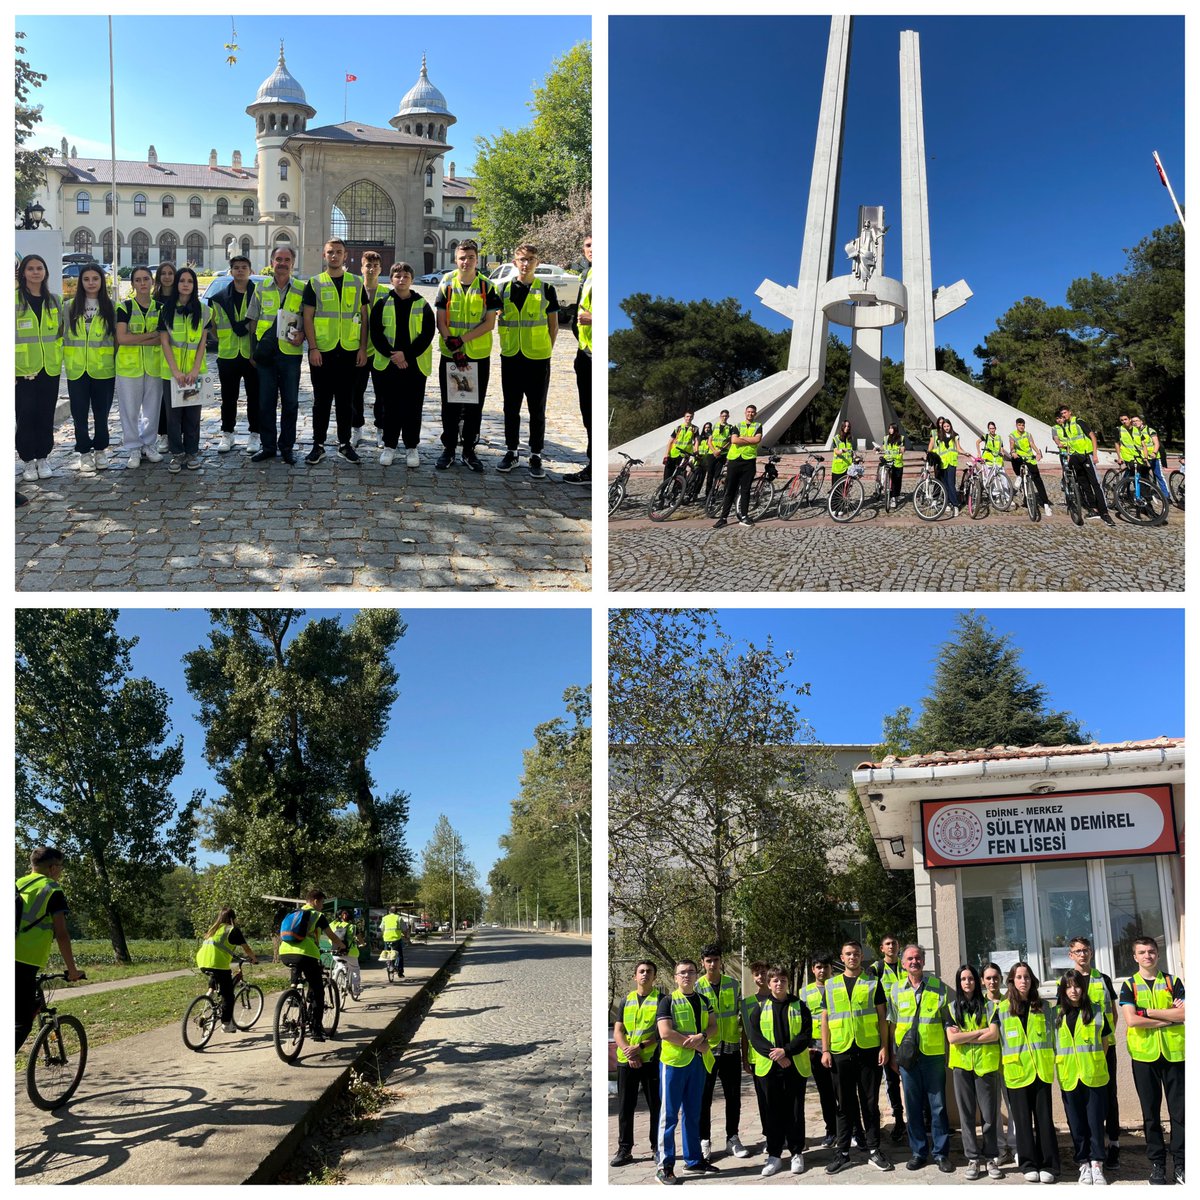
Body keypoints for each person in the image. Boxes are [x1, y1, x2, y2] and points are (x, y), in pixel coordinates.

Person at [821, 939, 894, 1174]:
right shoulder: (830, 985)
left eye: (856, 954)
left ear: (862, 957)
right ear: (841, 958)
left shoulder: (873, 983)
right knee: (844, 1105)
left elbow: (883, 1019)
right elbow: (825, 1020)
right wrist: (825, 1049)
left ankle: (873, 1149)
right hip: (841, 1051)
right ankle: (842, 1152)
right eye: (848, 954)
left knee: (870, 1103)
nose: (852, 957)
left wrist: (884, 1047)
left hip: (868, 1050)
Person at [1119, 935, 1184, 1186]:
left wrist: (1149, 1012)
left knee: (1180, 1114)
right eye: (1142, 952)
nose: (1148, 955)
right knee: (1151, 1115)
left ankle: (1181, 1164)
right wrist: (1170, 1017)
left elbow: (1186, 1012)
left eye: (1151, 951)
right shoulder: (1129, 985)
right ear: (1135, 957)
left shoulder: (1173, 981)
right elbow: (1132, 1020)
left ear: (1158, 954)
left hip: (1175, 1055)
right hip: (1144, 1057)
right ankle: (1157, 1165)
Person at [435, 239, 501, 472]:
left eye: (470, 257)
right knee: (450, 404)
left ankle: (469, 450)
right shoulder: (447, 283)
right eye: (462, 257)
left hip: (476, 354)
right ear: (456, 259)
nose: (466, 261)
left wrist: (462, 341)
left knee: (474, 405)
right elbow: (441, 319)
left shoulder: (487, 286)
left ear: (477, 259)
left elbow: (489, 323)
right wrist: (453, 346)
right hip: (452, 355)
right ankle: (449, 448)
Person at [496, 243, 559, 479]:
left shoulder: (546, 289)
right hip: (511, 356)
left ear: (537, 262)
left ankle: (536, 454)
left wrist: (546, 349)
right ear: (515, 262)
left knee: (537, 410)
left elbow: (553, 326)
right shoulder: (502, 290)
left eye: (531, 259)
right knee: (510, 408)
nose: (526, 263)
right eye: (522, 259)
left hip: (537, 358)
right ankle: (511, 451)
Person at [994, 961, 1060, 1183]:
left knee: (1044, 1120)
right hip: (1016, 1073)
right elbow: (995, 1039)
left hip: (1041, 1071)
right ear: (1012, 981)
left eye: (1027, 977)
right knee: (1021, 1122)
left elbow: (1055, 1037)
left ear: (1033, 981)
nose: (1024, 981)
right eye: (1019, 977)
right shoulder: (1001, 1009)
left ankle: (1048, 1164)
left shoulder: (1044, 1007)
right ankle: (1028, 1163)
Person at [302, 237, 366, 464]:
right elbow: (307, 317)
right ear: (324, 255)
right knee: (321, 401)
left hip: (349, 351)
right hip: (323, 351)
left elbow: (363, 317)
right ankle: (317, 445)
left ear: (345, 255)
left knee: (345, 401)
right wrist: (313, 347)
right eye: (330, 252)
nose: (334, 256)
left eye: (338, 252)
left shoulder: (357, 283)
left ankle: (344, 444)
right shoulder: (315, 283)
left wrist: (362, 348)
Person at [889, 943, 952, 1172]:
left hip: (933, 1056)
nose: (914, 962)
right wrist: (892, 1055)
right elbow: (892, 1024)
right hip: (907, 1059)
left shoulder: (939, 988)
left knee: (938, 1107)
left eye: (918, 958)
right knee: (913, 1107)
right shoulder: (895, 990)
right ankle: (918, 1152)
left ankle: (941, 1153)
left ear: (923, 962)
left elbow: (949, 1021)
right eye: (909, 959)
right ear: (903, 963)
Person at [746, 966, 814, 1176]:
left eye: (783, 980)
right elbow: (754, 1037)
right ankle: (774, 1155)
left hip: (794, 1066)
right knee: (772, 1111)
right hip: (769, 1068)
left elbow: (805, 1034)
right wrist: (775, 1055)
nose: (779, 984)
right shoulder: (759, 1008)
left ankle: (796, 1153)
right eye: (775, 981)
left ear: (787, 983)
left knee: (795, 1111)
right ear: (769, 984)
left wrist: (786, 1052)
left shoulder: (799, 1005)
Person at [16, 846, 84, 1051]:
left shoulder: (17, 884)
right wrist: (72, 970)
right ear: (53, 868)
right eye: (61, 867)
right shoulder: (52, 889)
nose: (61, 872)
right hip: (23, 960)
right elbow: (62, 934)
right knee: (21, 1024)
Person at [656, 959, 718, 1184]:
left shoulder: (703, 1000)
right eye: (682, 972)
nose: (687, 976)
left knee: (693, 1113)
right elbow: (665, 1032)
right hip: (673, 1064)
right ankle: (664, 1166)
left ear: (696, 974)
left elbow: (713, 1026)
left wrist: (702, 1037)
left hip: (697, 1063)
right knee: (669, 1115)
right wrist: (692, 1042)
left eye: (691, 972)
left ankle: (694, 1160)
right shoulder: (667, 1001)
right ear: (675, 977)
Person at [369, 262, 435, 468]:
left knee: (412, 407)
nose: (401, 279)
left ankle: (411, 447)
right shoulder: (382, 303)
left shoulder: (422, 304)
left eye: (406, 276)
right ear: (391, 280)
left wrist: (406, 355)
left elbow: (427, 334)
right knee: (390, 407)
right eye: (397, 276)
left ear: (411, 280)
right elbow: (376, 333)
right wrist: (394, 356)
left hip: (415, 365)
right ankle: (389, 446)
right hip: (389, 365)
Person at [247, 246, 306, 464]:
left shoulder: (302, 288)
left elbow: (309, 318)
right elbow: (253, 320)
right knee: (265, 403)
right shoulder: (261, 287)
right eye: (278, 259)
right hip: (265, 355)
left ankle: (287, 447)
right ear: (272, 262)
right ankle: (268, 446)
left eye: (286, 259)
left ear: (293, 263)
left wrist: (304, 335)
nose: (282, 263)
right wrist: (253, 351)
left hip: (290, 354)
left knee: (290, 403)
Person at [1066, 936, 1121, 1170]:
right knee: (1084, 1101)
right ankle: (1089, 1148)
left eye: (1085, 950)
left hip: (1104, 1048)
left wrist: (1104, 1041)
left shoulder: (1103, 979)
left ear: (1091, 952)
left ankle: (1114, 1144)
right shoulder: (1068, 981)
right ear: (1070, 955)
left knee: (1109, 1096)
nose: (1082, 954)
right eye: (1077, 951)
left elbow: (1113, 1014)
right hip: (1080, 1054)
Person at [1054, 968, 1111, 1185]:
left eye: (1077, 985)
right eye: (1068, 987)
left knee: (1095, 1122)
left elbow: (1105, 1042)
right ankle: (1083, 1163)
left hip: (1093, 1074)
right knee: (1076, 1123)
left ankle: (1097, 1163)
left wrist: (1093, 1062)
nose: (1074, 990)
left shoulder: (1096, 1011)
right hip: (1069, 1075)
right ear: (1063, 990)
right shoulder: (1055, 1014)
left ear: (1083, 987)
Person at [946, 963, 1002, 1180]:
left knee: (989, 1116)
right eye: (963, 979)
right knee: (967, 1116)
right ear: (959, 983)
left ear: (977, 981)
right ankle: (973, 1158)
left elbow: (994, 1035)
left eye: (970, 978)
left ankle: (991, 1157)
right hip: (961, 1068)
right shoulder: (952, 1008)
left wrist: (966, 1035)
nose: (967, 983)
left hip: (986, 1066)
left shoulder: (990, 1007)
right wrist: (980, 1032)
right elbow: (952, 1039)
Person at [695, 944, 750, 1161]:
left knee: (733, 1096)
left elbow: (741, 1018)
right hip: (707, 1051)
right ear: (702, 963)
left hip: (731, 1049)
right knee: (704, 1098)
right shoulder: (697, 987)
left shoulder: (733, 984)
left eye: (716, 960)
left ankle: (732, 1139)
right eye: (708, 960)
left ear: (721, 961)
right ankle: (704, 1140)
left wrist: (746, 1055)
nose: (712, 964)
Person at [63, 262, 117, 471]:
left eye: (95, 279)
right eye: (86, 279)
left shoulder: (111, 306)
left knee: (102, 413)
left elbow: (116, 339)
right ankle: (84, 452)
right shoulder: (68, 307)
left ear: (102, 281)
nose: (91, 283)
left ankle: (101, 450)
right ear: (81, 282)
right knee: (79, 413)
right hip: (77, 369)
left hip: (103, 369)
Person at [158, 266, 211, 473]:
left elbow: (202, 343)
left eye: (189, 281)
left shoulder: (205, 311)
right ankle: (177, 453)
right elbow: (164, 343)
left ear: (194, 285)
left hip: (194, 373)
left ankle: (191, 452)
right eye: (182, 281)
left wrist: (195, 370)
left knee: (192, 415)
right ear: (176, 284)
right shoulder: (166, 310)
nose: (186, 285)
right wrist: (176, 372)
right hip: (172, 374)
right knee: (173, 416)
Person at [15, 254, 63, 483]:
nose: (35, 272)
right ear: (23, 272)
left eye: (39, 268)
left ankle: (43, 457)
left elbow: (61, 334)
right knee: (25, 416)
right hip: (22, 370)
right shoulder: (12, 301)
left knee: (45, 415)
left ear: (45, 272)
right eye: (31, 268)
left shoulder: (54, 301)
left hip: (49, 369)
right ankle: (27, 461)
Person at [114, 265, 165, 470]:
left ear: (152, 282)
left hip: (154, 366)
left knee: (152, 409)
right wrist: (150, 336)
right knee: (130, 409)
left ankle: (149, 444)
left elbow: (162, 340)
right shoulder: (124, 307)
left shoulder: (160, 308)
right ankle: (133, 446)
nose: (142, 283)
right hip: (128, 367)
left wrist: (138, 339)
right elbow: (122, 339)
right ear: (133, 283)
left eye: (146, 279)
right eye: (138, 280)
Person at [611, 959, 662, 1167]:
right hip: (626, 1061)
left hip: (651, 1060)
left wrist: (639, 1048)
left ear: (654, 977)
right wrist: (628, 1052)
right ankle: (625, 1149)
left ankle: (657, 1148)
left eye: (649, 971)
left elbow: (661, 1032)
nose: (645, 974)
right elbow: (618, 1031)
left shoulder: (662, 1000)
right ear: (635, 976)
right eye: (641, 971)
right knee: (625, 1107)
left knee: (655, 1107)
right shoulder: (626, 1000)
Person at [210, 256, 261, 456]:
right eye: (236, 268)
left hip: (251, 355)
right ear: (231, 271)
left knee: (254, 397)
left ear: (250, 271)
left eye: (244, 267)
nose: (240, 271)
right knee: (228, 398)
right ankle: (227, 433)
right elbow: (214, 326)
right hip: (228, 354)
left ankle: (254, 434)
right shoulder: (220, 297)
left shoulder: (258, 295)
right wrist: (224, 339)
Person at [278, 889, 344, 1041]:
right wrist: (341, 945)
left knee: (300, 975)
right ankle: (316, 1030)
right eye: (322, 903)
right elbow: (331, 935)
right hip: (306, 954)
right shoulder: (317, 916)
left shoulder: (294, 913)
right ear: (315, 901)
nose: (322, 906)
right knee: (318, 991)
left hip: (285, 953)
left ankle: (294, 994)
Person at [195, 906, 259, 1033]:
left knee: (216, 977)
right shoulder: (232, 930)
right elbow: (246, 949)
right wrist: (254, 959)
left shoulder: (213, 929)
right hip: (217, 963)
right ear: (232, 918)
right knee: (228, 996)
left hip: (202, 961)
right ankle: (226, 1024)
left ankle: (209, 996)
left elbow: (219, 946)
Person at [869, 934, 907, 1143]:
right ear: (881, 948)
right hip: (887, 1029)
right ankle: (899, 1120)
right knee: (891, 1079)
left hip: (908, 1029)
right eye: (888, 944)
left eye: (894, 943)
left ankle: (923, 1119)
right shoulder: (876, 969)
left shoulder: (906, 965)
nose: (892, 946)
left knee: (912, 1076)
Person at [562, 234, 592, 485]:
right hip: (583, 350)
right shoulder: (587, 274)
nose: (592, 250)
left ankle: (593, 467)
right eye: (588, 246)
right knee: (587, 412)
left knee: (592, 412)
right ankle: (592, 465)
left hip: (593, 352)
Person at [1054, 404, 1115, 526]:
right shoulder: (1065, 426)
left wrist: (1095, 454)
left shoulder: (1079, 422)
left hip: (1087, 456)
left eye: (1065, 413)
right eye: (1062, 414)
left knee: (1095, 484)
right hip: (1076, 456)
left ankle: (1104, 513)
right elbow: (1071, 442)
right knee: (1084, 483)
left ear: (1070, 412)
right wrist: (1070, 455)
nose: (1064, 416)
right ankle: (1093, 509)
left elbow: (1092, 437)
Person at [982, 962, 1017, 1165]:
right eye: (988, 978)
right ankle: (999, 1148)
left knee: (1013, 1107)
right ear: (983, 981)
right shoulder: (979, 1004)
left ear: (1001, 980)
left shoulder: (1010, 1002)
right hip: (988, 1063)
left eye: (995, 977)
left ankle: (1015, 1146)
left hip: (1010, 1063)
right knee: (992, 1109)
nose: (992, 981)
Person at [803, 954, 839, 1149]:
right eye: (818, 967)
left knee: (843, 1092)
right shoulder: (805, 992)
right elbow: (801, 1022)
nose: (822, 970)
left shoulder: (837, 987)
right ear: (812, 970)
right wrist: (806, 1046)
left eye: (825, 967)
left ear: (831, 969)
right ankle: (831, 1131)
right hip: (816, 1050)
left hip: (839, 1046)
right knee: (825, 1093)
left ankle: (847, 1130)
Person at [713, 404, 762, 528]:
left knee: (745, 490)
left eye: (752, 412)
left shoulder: (758, 426)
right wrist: (749, 439)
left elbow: (757, 440)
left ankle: (744, 516)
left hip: (749, 461)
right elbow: (734, 440)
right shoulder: (737, 425)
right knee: (730, 489)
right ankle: (723, 518)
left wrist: (742, 438)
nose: (750, 414)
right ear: (745, 413)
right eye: (748, 412)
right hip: (734, 460)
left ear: (755, 414)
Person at [354, 250, 385, 447]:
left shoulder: (387, 294)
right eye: (368, 265)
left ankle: (381, 429)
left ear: (380, 269)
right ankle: (356, 429)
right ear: (362, 268)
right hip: (358, 350)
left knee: (382, 393)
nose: (371, 269)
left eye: (375, 266)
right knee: (356, 392)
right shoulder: (354, 291)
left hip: (381, 352)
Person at [743, 960, 772, 1148]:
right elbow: (745, 1032)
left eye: (764, 972)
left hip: (780, 1056)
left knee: (783, 1099)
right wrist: (744, 1057)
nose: (761, 976)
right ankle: (770, 1136)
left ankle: (785, 1133)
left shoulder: (778, 998)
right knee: (765, 1101)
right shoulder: (747, 1004)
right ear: (753, 978)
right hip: (757, 1059)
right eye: (757, 974)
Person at [151, 261, 177, 454]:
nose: (167, 277)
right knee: (161, 399)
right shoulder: (153, 301)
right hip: (156, 356)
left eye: (170, 273)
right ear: (158, 277)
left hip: (179, 357)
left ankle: (179, 433)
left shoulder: (181, 299)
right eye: (163, 273)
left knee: (179, 397)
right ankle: (163, 434)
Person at [1008, 417, 1052, 517]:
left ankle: (1046, 504)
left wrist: (1037, 453)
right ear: (1016, 425)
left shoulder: (1028, 434)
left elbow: (1032, 444)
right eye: (1019, 425)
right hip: (1019, 457)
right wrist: (1013, 451)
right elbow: (1011, 445)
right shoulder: (1012, 435)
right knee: (1014, 459)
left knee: (1038, 479)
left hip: (1029, 457)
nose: (1021, 427)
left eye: (1023, 425)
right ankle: (1019, 475)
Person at [1133, 415, 1171, 506]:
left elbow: (1156, 443)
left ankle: (1167, 496)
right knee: (1143, 478)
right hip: (1142, 459)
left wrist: (1154, 452)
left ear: (1141, 421)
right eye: (1133, 421)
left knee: (1159, 476)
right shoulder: (1134, 432)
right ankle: (1147, 496)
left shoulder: (1150, 430)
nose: (1135, 423)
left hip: (1153, 458)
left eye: (1137, 421)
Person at [329, 908, 362, 997]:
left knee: (339, 965)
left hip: (335, 952)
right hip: (350, 954)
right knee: (355, 969)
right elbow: (360, 939)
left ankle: (335, 982)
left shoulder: (332, 925)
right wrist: (363, 943)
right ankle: (356, 989)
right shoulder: (353, 927)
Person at [936, 422, 964, 515]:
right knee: (944, 484)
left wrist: (965, 453)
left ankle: (955, 505)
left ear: (950, 426)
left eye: (948, 426)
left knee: (951, 484)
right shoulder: (939, 436)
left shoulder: (955, 436)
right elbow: (937, 449)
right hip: (942, 463)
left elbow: (958, 448)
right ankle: (947, 502)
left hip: (951, 462)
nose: (946, 428)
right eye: (944, 426)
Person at [705, 410, 732, 501]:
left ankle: (713, 493)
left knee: (718, 475)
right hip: (712, 453)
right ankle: (707, 494)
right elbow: (709, 441)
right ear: (720, 416)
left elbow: (729, 441)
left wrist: (720, 450)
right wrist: (714, 451)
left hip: (722, 453)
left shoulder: (730, 427)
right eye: (723, 416)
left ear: (728, 417)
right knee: (710, 474)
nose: (724, 417)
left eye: (726, 416)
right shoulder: (714, 426)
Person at [662, 411, 699, 482]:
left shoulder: (695, 429)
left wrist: (696, 450)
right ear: (684, 417)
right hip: (674, 453)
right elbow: (670, 442)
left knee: (680, 475)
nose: (689, 418)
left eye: (691, 417)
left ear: (693, 417)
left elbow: (696, 441)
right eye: (687, 416)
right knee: (667, 474)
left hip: (685, 455)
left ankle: (675, 492)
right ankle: (663, 491)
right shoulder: (678, 428)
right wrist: (666, 455)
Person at [830, 419, 855, 499]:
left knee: (845, 489)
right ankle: (834, 508)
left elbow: (851, 451)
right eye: (845, 426)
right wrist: (842, 450)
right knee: (836, 489)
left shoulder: (849, 439)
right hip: (838, 468)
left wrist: (855, 457)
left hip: (847, 468)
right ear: (842, 427)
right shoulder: (836, 438)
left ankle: (842, 507)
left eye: (848, 426)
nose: (847, 428)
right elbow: (836, 451)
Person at [380, 905, 405, 979]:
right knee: (399, 955)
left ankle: (388, 963)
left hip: (386, 939)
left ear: (389, 911)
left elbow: (381, 928)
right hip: (396, 939)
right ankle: (400, 972)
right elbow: (404, 928)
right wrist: (406, 936)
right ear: (396, 912)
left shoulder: (384, 918)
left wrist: (383, 935)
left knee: (387, 952)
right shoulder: (398, 918)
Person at [882, 425, 904, 505]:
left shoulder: (901, 438)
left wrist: (900, 450)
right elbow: (883, 447)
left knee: (897, 481)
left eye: (892, 428)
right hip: (888, 461)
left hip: (897, 462)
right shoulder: (886, 438)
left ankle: (895, 496)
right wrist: (878, 448)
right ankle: (892, 497)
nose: (890, 430)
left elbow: (902, 450)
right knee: (890, 481)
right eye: (889, 428)